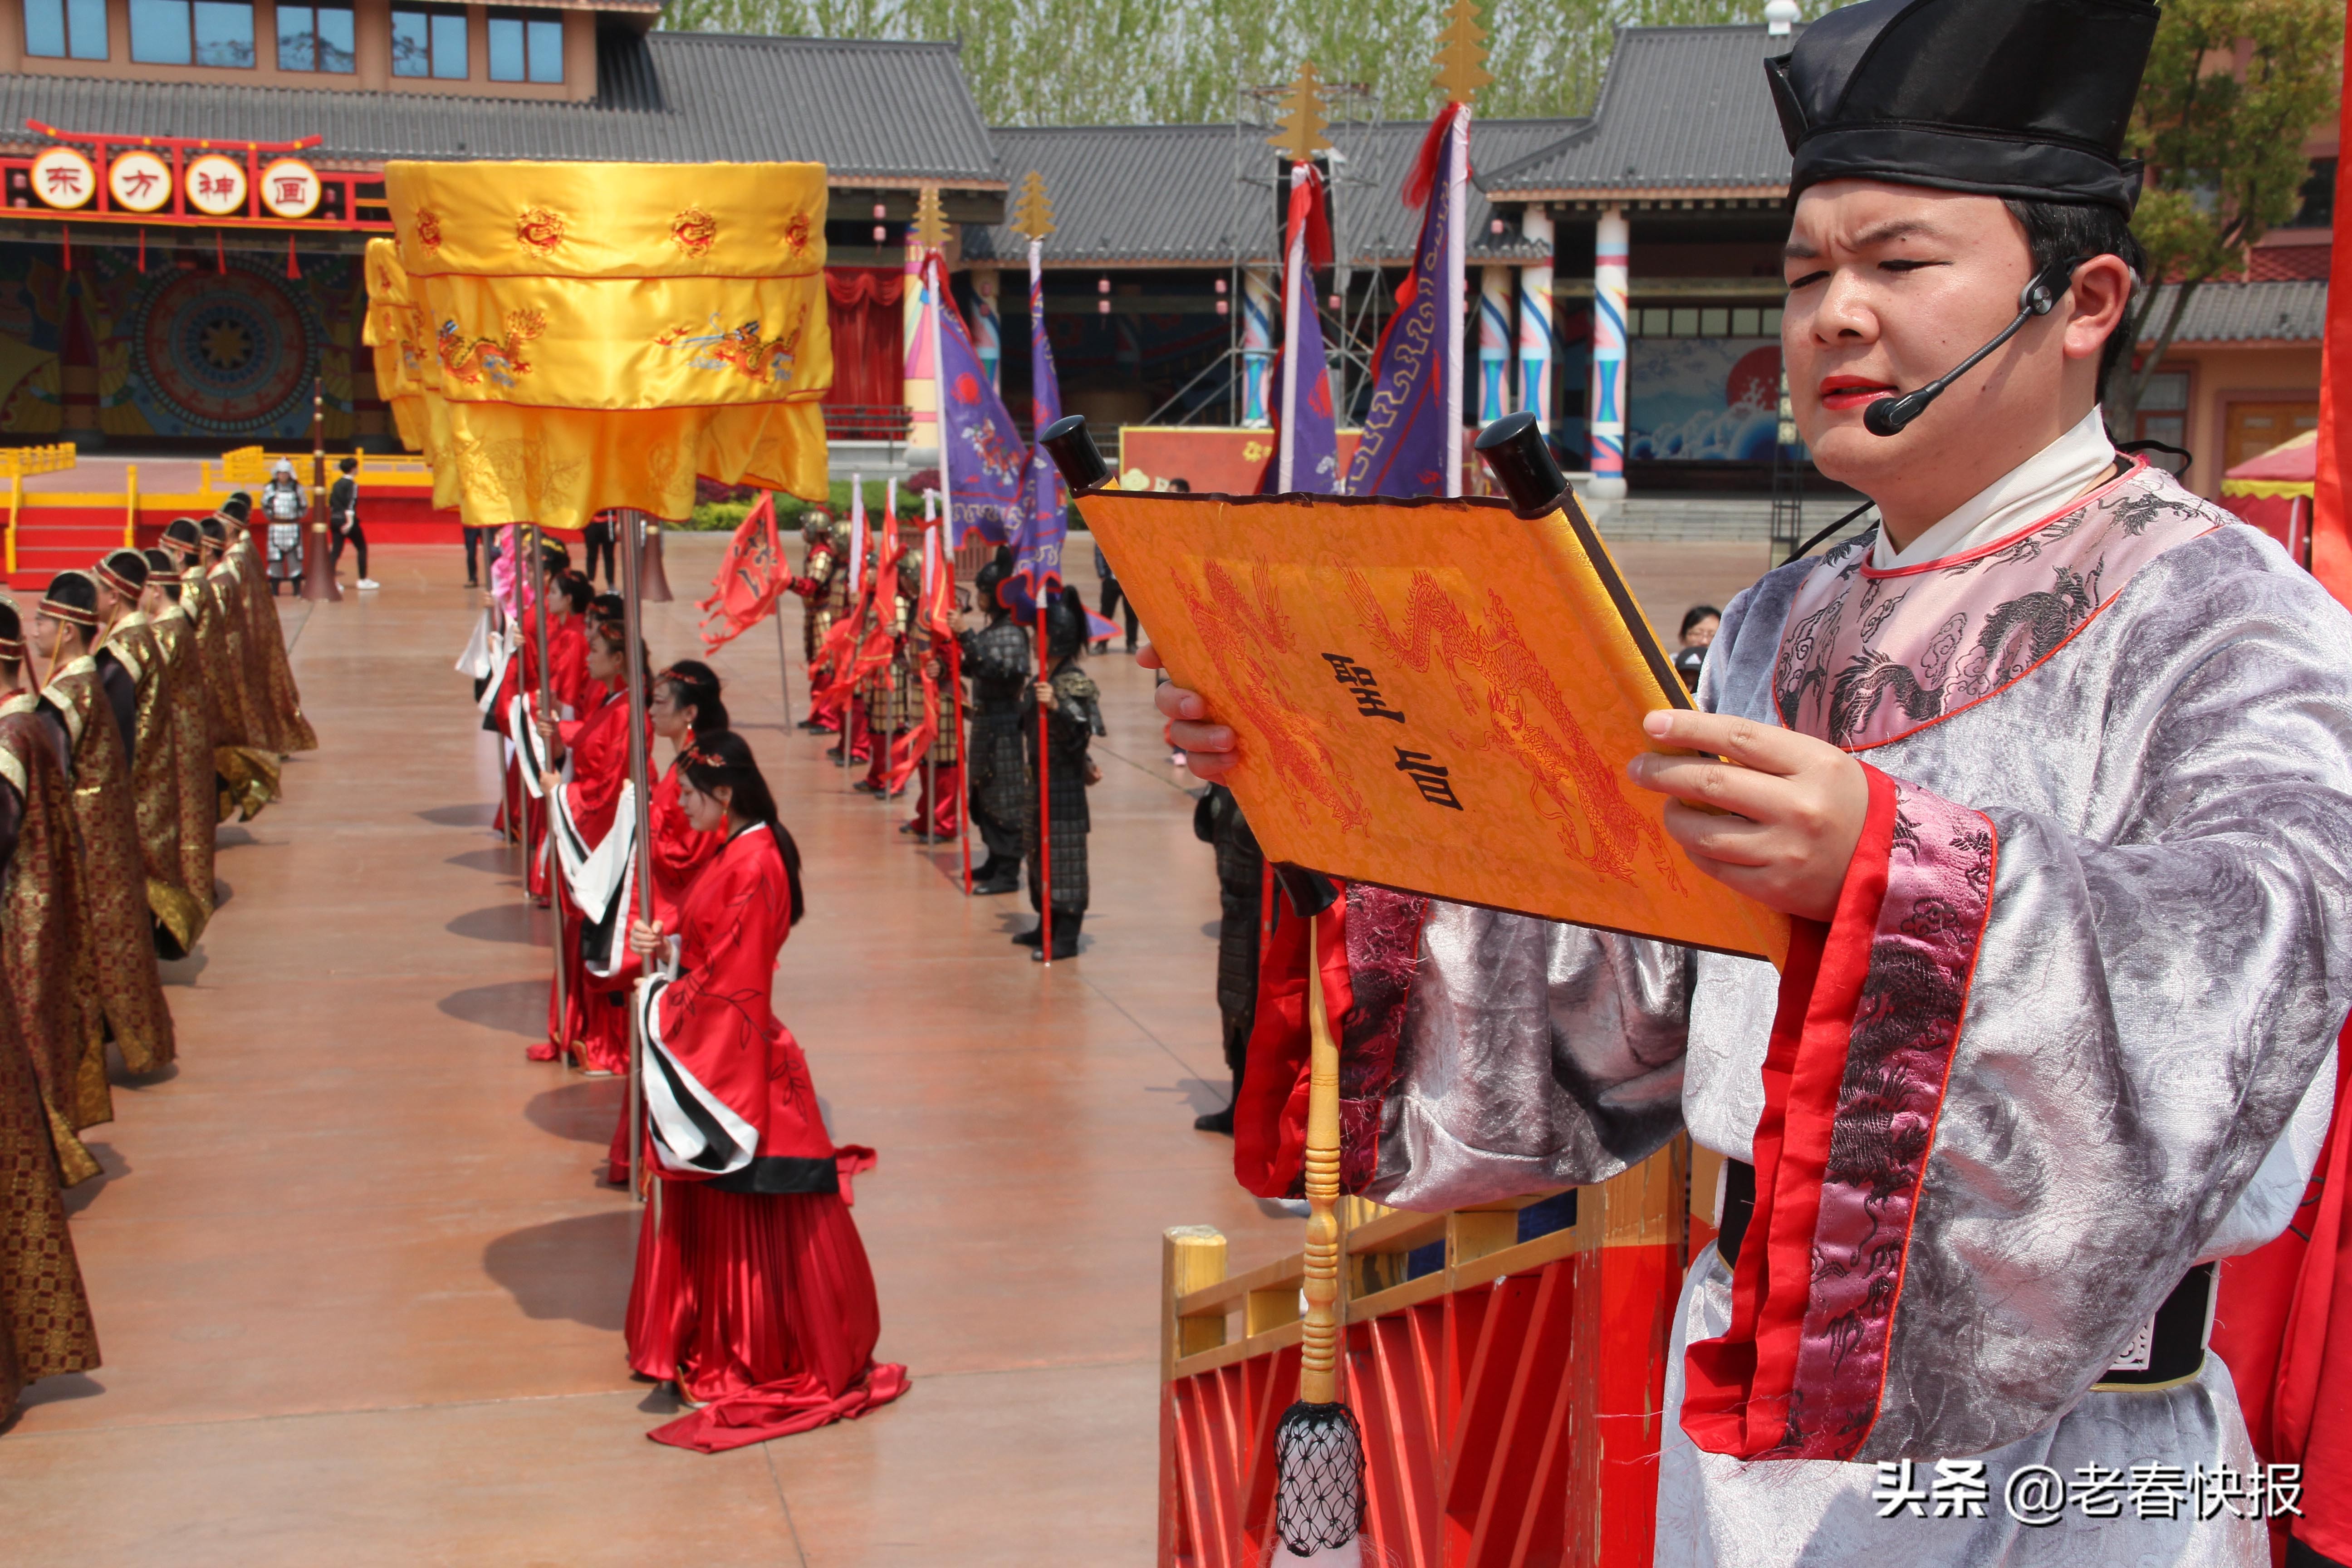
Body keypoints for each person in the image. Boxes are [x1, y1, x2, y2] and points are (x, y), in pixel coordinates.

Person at [1150, 2, 2352, 1561]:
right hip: (1746, 1411)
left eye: (1897, 264)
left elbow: (2270, 936)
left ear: (2082, 299)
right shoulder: (1789, 620)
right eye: (1803, 276)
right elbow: (1638, 993)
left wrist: (1895, 872)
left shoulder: (2223, 612)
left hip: (2058, 1451)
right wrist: (1339, 796)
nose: (1833, 316)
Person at [621, 730, 908, 1451]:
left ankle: (759, 1350)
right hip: (740, 1048)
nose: (678, 807)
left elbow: (737, 987)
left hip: (739, 1058)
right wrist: (676, 951)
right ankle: (735, 1340)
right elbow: (717, 954)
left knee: (754, 1215)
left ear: (724, 795)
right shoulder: (743, 847)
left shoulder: (752, 863)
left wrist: (662, 1001)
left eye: (687, 795)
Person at [33, 573, 175, 1078]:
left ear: (69, 630)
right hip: (105, 829)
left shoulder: (73, 693)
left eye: (43, 621)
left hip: (86, 837)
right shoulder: (89, 678)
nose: (36, 632)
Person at [604, 659, 729, 1186]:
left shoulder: (704, 768)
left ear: (690, 712)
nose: (651, 711)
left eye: (660, 703)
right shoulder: (683, 759)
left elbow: (694, 849)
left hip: (685, 908)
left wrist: (644, 829)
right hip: (664, 900)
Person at [0, 601, 105, 1187]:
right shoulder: (31, 722)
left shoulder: (12, 735)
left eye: (47, 619)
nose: (39, 629)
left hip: (20, 912)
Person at [534, 617, 650, 1074]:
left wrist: (561, 794)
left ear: (619, 660)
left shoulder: (626, 713)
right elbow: (592, 745)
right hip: (596, 833)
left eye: (597, 649)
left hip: (606, 843)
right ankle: (585, 1031)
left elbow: (609, 790)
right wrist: (561, 738)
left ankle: (605, 1042)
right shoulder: (613, 702)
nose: (588, 656)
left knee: (601, 938)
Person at [93, 550, 205, 957]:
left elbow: (116, 734)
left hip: (138, 784)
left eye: (97, 590)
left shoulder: (129, 650)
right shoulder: (137, 639)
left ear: (113, 597)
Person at [1015, 586, 1102, 961]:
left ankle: (1066, 935)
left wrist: (1058, 706)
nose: (1035, 640)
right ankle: (1045, 923)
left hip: (1064, 786)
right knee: (1037, 855)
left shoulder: (1074, 681)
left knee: (1065, 859)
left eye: (1041, 632)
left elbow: (1083, 730)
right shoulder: (1041, 677)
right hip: (1037, 781)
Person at [140, 547, 217, 952]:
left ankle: (192, 900)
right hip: (188, 733)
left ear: (154, 590)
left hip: (179, 739)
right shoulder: (172, 625)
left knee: (184, 818)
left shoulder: (168, 631)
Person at [1190, 783, 1263, 1136]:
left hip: (1271, 906)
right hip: (1236, 904)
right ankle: (1240, 1106)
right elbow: (1207, 827)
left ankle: (1265, 1112)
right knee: (1235, 1004)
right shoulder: (1224, 778)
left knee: (1264, 1009)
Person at [958, 549, 1031, 896]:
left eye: (985, 590)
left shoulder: (1014, 634)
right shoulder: (992, 631)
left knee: (1004, 795)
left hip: (1004, 728)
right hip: (986, 725)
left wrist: (966, 638)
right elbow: (973, 667)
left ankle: (1007, 870)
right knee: (982, 791)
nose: (981, 597)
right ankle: (993, 857)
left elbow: (997, 670)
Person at [788, 509, 843, 733]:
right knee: (816, 665)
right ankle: (817, 713)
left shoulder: (822, 555)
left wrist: (789, 582)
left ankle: (828, 719)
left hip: (824, 614)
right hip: (814, 613)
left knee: (824, 668)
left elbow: (812, 585)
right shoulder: (814, 552)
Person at [328, 457, 376, 591]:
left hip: (335, 518)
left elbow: (331, 501)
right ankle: (363, 579)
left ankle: (331, 581)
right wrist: (349, 522)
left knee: (336, 551)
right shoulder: (352, 485)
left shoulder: (336, 484)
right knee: (361, 547)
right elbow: (351, 503)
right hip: (347, 520)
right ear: (353, 468)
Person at [260, 462, 306, 594]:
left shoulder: (297, 488)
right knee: (275, 560)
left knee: (295, 560)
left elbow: (303, 506)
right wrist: (275, 519)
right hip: (276, 528)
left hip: (293, 527)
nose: (283, 476)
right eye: (281, 473)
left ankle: (297, 590)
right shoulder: (271, 488)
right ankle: (275, 591)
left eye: (286, 473)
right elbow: (265, 506)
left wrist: (294, 518)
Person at [582, 511, 616, 588]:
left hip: (610, 523)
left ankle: (611, 584)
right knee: (591, 555)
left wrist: (616, 523)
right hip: (591, 523)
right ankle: (590, 583)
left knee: (609, 556)